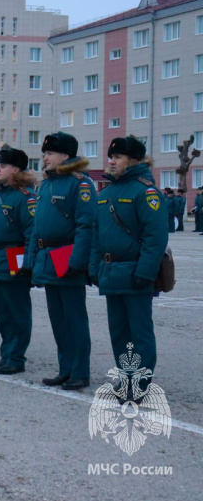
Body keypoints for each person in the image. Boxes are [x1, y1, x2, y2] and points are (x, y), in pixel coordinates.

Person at [90, 136, 168, 380]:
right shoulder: (106, 192)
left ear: (133, 160)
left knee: (139, 332)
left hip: (135, 271)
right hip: (111, 271)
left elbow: (155, 237)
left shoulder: (145, 192)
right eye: (111, 157)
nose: (112, 162)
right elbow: (97, 234)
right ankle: (126, 377)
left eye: (118, 157)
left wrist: (145, 272)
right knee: (119, 332)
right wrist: (94, 267)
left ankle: (140, 383)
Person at [26, 132, 96, 391]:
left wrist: (77, 260)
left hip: (67, 256)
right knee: (58, 319)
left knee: (74, 318)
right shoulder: (46, 184)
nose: (45, 158)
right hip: (48, 257)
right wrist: (32, 257)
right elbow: (37, 227)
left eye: (50, 153)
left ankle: (80, 371)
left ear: (65, 155)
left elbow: (86, 225)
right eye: (45, 153)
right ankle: (65, 369)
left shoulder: (80, 183)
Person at [0, 148, 36, 375]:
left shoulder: (24, 196)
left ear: (15, 169)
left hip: (14, 257)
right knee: (2, 313)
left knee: (17, 311)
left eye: (3, 166)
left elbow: (31, 233)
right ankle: (6, 354)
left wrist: (27, 264)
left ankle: (16, 357)